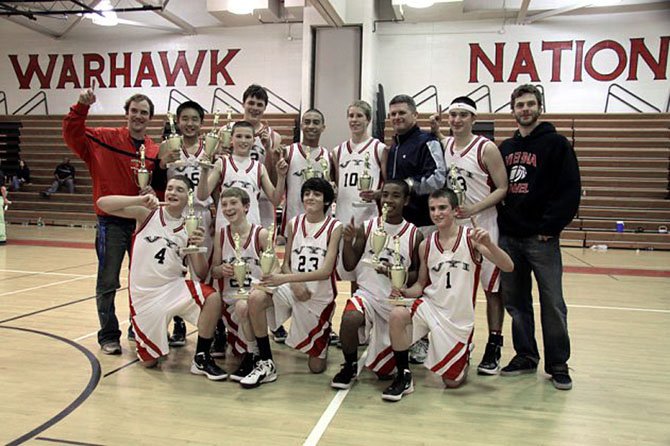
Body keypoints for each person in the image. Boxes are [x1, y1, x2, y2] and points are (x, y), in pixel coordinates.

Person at [382, 188, 514, 402]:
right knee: (397, 315)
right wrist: (403, 291)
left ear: (454, 210)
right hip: (431, 306)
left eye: (442, 208)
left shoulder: (471, 239)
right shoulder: (426, 245)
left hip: (458, 318)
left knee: (452, 383)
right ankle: (403, 376)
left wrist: (489, 244)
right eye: (433, 209)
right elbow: (421, 286)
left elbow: (508, 266)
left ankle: (464, 353)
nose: (437, 213)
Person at [96, 176, 226, 379]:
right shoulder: (147, 214)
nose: (172, 193)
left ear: (188, 197)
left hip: (173, 288)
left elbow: (200, 273)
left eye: (179, 190)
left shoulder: (189, 227)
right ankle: (155, 337)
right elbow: (102, 204)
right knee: (149, 363)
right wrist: (138, 200)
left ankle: (201, 357)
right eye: (170, 188)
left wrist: (197, 249)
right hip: (144, 296)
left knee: (213, 298)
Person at [63, 88, 160, 355]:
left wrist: (154, 193)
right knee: (107, 282)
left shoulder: (154, 150)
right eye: (134, 111)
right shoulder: (103, 137)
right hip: (111, 223)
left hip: (142, 223)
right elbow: (72, 134)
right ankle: (108, 334)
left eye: (144, 113)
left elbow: (161, 188)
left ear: (150, 118)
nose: (138, 116)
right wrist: (81, 107)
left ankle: (137, 328)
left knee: (142, 280)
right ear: (126, 113)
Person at [497, 84, 581, 391]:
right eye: (520, 105)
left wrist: (551, 226)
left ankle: (558, 363)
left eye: (530, 104)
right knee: (516, 303)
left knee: (553, 303)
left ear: (539, 107)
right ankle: (525, 355)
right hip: (509, 237)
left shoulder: (557, 144)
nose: (525, 109)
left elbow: (570, 190)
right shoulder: (505, 148)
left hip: (541, 238)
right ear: (513, 110)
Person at [430, 96, 509, 375]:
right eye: (453, 115)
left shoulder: (486, 148)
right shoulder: (446, 144)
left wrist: (473, 208)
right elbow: (440, 137)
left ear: (474, 119)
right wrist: (435, 127)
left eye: (463, 115)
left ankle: (494, 344)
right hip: (455, 225)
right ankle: (454, 339)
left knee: (491, 288)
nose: (457, 120)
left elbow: (502, 187)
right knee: (455, 284)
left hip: (483, 222)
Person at [240, 177, 343, 388]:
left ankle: (323, 330)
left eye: (316, 194)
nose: (310, 198)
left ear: (326, 201)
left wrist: (287, 279)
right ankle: (265, 360)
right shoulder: (293, 223)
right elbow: (286, 263)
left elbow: (325, 271)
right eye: (306, 193)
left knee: (316, 368)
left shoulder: (335, 227)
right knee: (255, 298)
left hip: (318, 297)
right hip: (293, 288)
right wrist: (293, 283)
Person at [331, 180, 422, 390]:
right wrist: (347, 242)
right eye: (385, 195)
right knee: (350, 317)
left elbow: (418, 275)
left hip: (395, 303)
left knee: (383, 374)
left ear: (406, 200)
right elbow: (350, 264)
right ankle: (350, 365)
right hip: (367, 296)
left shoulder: (414, 234)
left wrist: (394, 272)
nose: (389, 200)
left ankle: (401, 368)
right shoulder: (367, 227)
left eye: (396, 195)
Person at [386, 94, 446, 364]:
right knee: (402, 280)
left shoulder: (428, 141)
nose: (397, 118)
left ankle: (423, 341)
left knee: (423, 284)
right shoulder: (394, 147)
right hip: (398, 227)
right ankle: (403, 335)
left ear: (414, 115)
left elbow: (438, 178)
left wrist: (407, 187)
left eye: (401, 113)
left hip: (424, 224)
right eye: (393, 114)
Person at [160, 100, 214, 348]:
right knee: (174, 270)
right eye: (185, 118)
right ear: (177, 121)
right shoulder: (167, 147)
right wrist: (162, 163)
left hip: (201, 214)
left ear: (201, 123)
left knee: (203, 272)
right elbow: (158, 177)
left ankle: (210, 325)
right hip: (175, 215)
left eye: (194, 119)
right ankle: (178, 323)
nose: (190, 123)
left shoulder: (211, 149)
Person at [210, 187, 272, 381]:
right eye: (225, 204)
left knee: (244, 305)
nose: (228, 208)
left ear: (246, 207)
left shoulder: (260, 234)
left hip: (256, 297)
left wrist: (261, 287)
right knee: (235, 351)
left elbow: (275, 269)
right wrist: (222, 270)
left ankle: (255, 355)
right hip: (231, 297)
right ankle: (248, 350)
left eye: (233, 203)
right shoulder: (221, 234)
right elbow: (214, 270)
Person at [332, 100, 387, 284]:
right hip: (343, 215)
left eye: (359, 116)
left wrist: (378, 193)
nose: (354, 120)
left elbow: (388, 186)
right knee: (346, 269)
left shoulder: (379, 148)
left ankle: (361, 308)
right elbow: (335, 184)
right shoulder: (337, 151)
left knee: (364, 272)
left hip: (369, 216)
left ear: (368, 119)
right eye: (351, 115)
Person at [280, 108, 331, 234]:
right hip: (292, 223)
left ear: (323, 127)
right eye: (307, 122)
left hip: (321, 225)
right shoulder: (288, 152)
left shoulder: (329, 156)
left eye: (316, 122)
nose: (311, 126)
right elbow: (278, 188)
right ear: (301, 125)